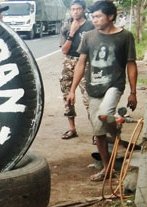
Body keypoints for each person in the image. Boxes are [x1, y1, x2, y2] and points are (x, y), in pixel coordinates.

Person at [67, 0, 137, 182]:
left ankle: (117, 138)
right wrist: (72, 90)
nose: (95, 20)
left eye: (98, 16)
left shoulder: (125, 36)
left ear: (110, 16)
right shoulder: (89, 36)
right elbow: (81, 63)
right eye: (93, 16)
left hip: (114, 85)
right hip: (93, 88)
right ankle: (107, 169)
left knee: (105, 114)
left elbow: (131, 64)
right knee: (98, 133)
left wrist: (133, 92)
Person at [59, 0, 94, 140]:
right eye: (73, 9)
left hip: (86, 62)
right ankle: (72, 128)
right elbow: (64, 50)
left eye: (78, 9)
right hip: (69, 62)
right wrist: (72, 32)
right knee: (67, 94)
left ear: (84, 10)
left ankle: (97, 133)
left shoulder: (91, 26)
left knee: (89, 97)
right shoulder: (66, 27)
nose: (75, 12)